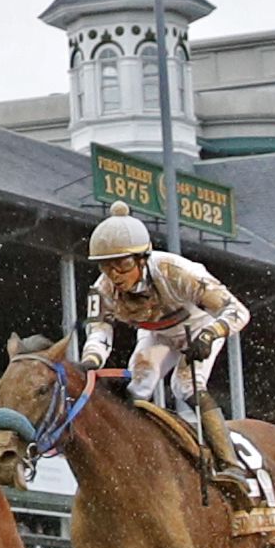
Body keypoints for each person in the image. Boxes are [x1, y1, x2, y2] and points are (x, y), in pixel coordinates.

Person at [78, 201, 254, 502]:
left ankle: (230, 464)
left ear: (142, 259)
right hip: (157, 332)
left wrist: (211, 335)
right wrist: (90, 361)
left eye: (122, 265)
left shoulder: (176, 272)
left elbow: (237, 311)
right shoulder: (102, 289)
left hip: (198, 326)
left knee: (183, 386)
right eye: (106, 266)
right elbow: (99, 330)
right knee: (138, 385)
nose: (115, 275)